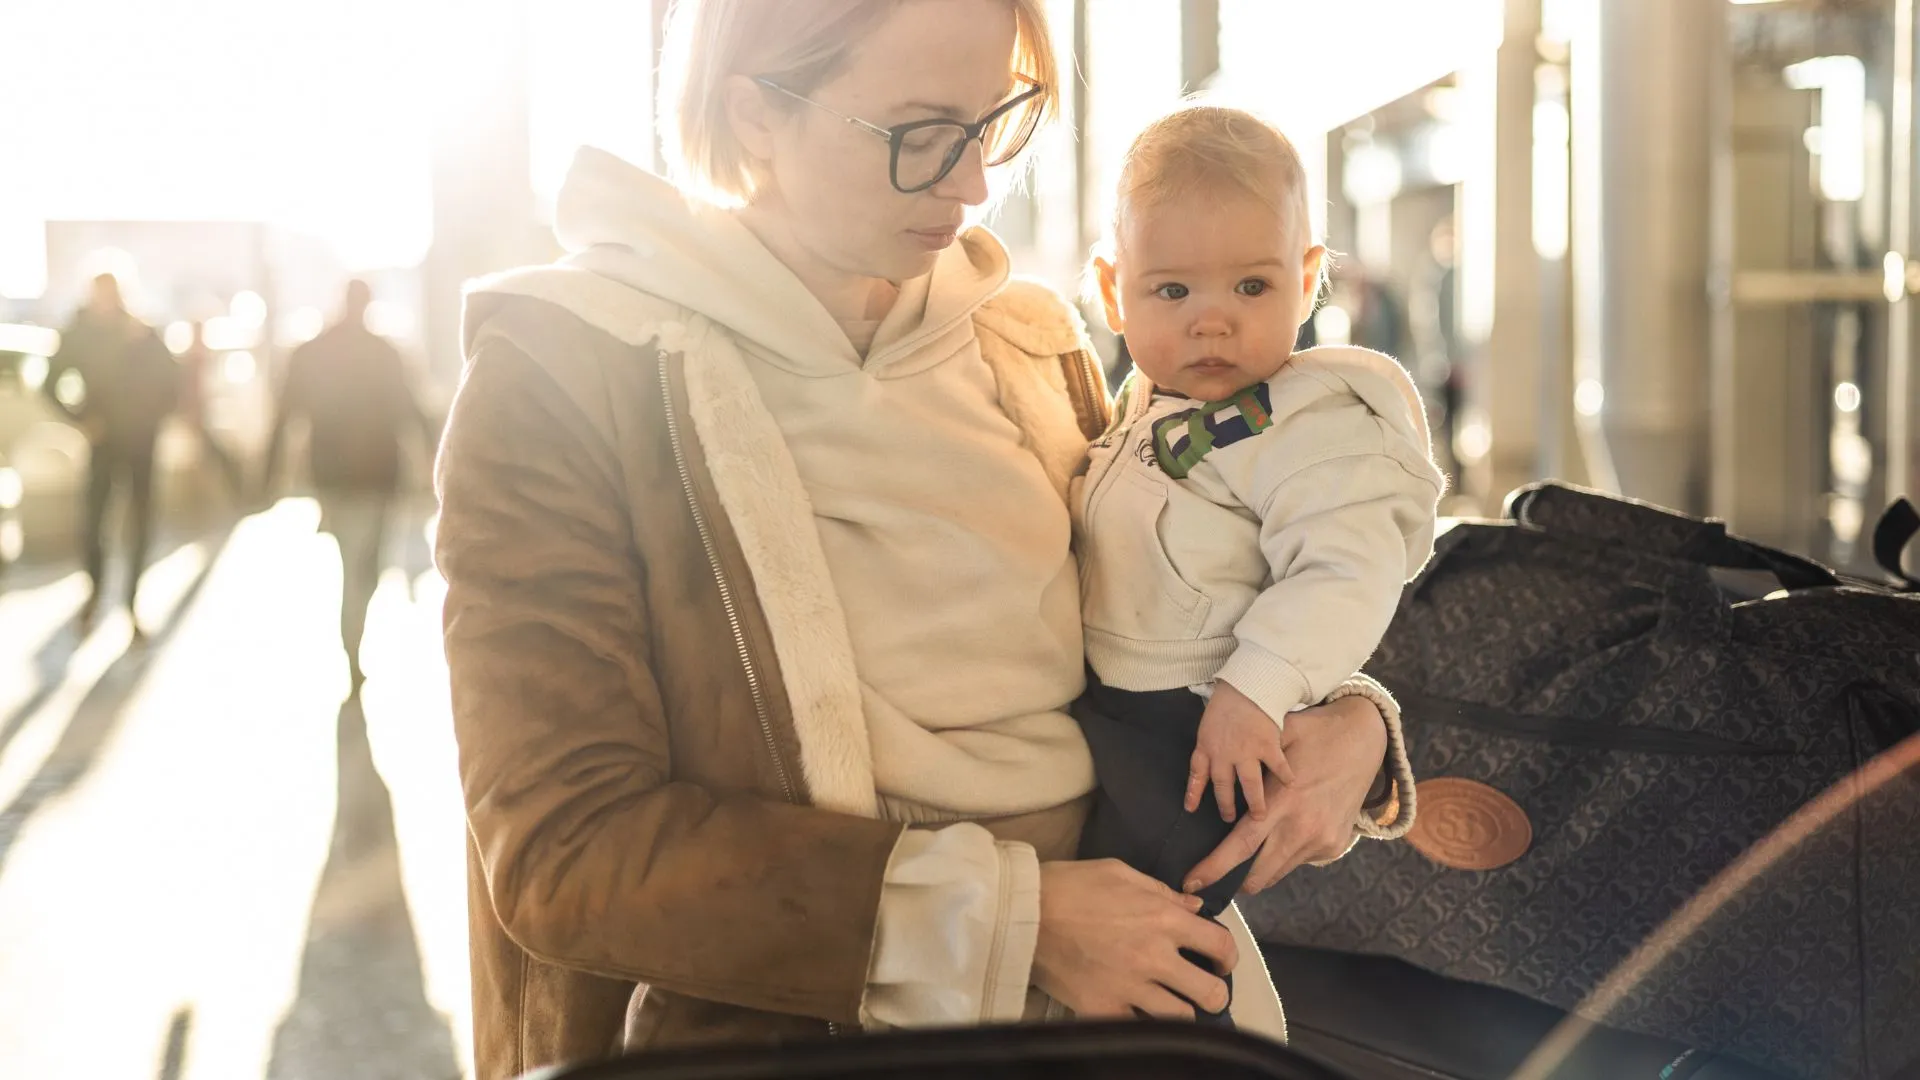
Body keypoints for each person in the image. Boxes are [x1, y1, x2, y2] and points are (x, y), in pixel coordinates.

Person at [432, 2, 1415, 1075]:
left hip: (1135, 1003)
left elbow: (1210, 581)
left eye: (993, 119)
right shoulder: (568, 372)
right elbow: (567, 853)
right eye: (920, 134)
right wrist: (1020, 925)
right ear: (754, 113)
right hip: (767, 1039)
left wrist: (1354, 724)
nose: (972, 183)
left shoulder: (1025, 341)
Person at [1076, 106, 1442, 1024]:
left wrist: (1258, 689)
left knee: (1157, 932)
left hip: (1200, 726)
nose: (1213, 322)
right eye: (1172, 293)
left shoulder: (1308, 424)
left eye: (1251, 285)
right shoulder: (1138, 406)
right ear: (1113, 290)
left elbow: (1345, 573)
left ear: (1309, 279)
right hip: (1119, 709)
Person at [262, 280, 434, 692]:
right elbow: (409, 406)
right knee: (367, 567)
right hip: (377, 473)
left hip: (333, 474)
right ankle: (353, 643)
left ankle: (351, 645)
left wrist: (266, 475)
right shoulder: (384, 353)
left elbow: (285, 413)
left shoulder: (313, 352)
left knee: (352, 563)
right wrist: (431, 457)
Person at [45, 272, 179, 633]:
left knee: (140, 522)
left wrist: (153, 417)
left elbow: (173, 380)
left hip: (140, 441)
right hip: (102, 441)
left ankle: (131, 601)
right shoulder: (80, 331)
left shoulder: (140, 329)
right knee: (94, 521)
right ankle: (95, 595)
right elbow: (50, 381)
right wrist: (82, 418)